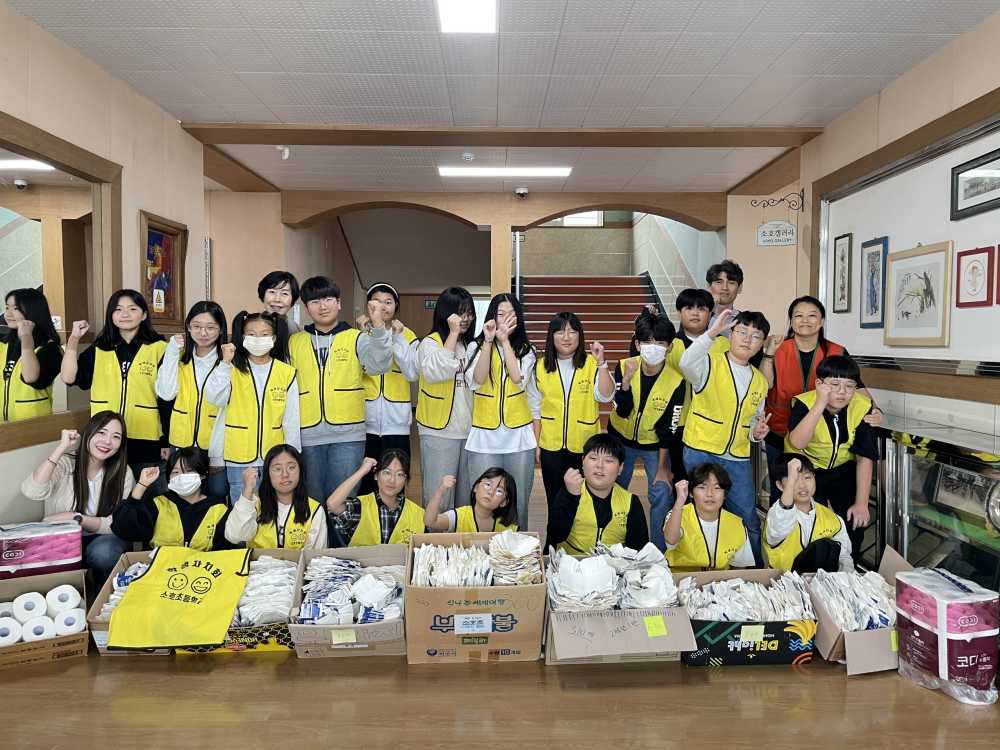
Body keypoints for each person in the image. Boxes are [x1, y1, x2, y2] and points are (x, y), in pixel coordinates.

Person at [759, 295, 882, 499]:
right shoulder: (778, 348)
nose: (805, 320)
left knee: (820, 495)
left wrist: (876, 411)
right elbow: (764, 386)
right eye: (798, 315)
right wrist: (769, 353)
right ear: (791, 320)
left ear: (822, 321)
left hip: (824, 438)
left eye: (812, 315)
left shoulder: (837, 351)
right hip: (780, 434)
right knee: (783, 494)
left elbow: (857, 386)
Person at [288, 276, 393, 512]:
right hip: (308, 434)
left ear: (339, 303)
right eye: (315, 301)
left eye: (327, 299)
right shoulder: (295, 342)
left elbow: (379, 364)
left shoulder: (357, 338)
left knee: (343, 501)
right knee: (312, 501)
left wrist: (378, 327)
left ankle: (340, 548)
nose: (322, 306)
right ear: (306, 308)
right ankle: (317, 547)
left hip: (348, 435)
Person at [680, 308, 771, 565]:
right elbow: (686, 362)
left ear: (762, 343)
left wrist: (757, 433)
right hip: (701, 449)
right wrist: (712, 332)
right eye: (742, 332)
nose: (747, 339)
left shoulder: (760, 381)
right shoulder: (709, 363)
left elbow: (755, 422)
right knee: (700, 513)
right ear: (731, 334)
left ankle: (753, 572)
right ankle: (694, 565)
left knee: (747, 518)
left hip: (737, 457)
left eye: (755, 336)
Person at [61, 289, 169, 482]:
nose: (124, 314)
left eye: (132, 309)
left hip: (146, 438)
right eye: (118, 309)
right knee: (108, 497)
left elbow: (168, 399)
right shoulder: (99, 349)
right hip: (104, 440)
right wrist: (74, 339)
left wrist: (166, 440)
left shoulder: (160, 348)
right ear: (111, 315)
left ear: (144, 315)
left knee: (148, 498)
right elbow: (69, 378)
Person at [20, 412, 134, 584]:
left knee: (105, 552)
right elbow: (32, 491)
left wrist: (77, 519)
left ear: (120, 444)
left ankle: (103, 600)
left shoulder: (123, 473)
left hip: (102, 537)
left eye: (116, 436)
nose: (107, 441)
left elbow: (117, 523)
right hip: (62, 538)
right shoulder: (65, 464)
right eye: (101, 433)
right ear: (89, 432)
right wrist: (61, 448)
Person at [528, 312, 614, 538]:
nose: (566, 337)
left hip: (585, 448)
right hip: (551, 447)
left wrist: (602, 363)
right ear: (551, 336)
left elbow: (605, 396)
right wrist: (537, 443)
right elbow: (535, 409)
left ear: (580, 335)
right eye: (560, 331)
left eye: (572, 331)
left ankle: (581, 543)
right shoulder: (540, 367)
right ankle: (553, 542)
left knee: (584, 500)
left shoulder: (591, 364)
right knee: (555, 500)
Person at [785, 355, 876, 562]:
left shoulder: (862, 406)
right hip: (807, 470)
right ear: (819, 384)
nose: (842, 392)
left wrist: (862, 503)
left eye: (849, 386)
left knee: (854, 521)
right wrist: (820, 403)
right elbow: (798, 442)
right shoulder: (804, 403)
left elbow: (864, 457)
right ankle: (805, 568)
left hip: (842, 469)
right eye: (834, 384)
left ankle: (849, 567)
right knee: (807, 522)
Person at [608, 309, 685, 551]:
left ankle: (658, 552)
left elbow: (668, 428)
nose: (653, 348)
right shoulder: (623, 366)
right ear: (638, 344)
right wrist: (627, 383)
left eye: (660, 343)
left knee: (662, 492)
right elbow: (622, 411)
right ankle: (613, 544)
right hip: (620, 438)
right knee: (614, 489)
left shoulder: (677, 381)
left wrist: (663, 468)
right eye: (648, 342)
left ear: (669, 347)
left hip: (655, 445)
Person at [204, 311, 299, 504]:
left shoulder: (286, 373)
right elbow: (214, 398)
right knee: (242, 510)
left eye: (264, 335)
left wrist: (293, 455)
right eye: (252, 334)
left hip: (275, 457)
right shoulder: (230, 369)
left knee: (274, 508)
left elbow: (291, 419)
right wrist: (225, 363)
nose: (258, 340)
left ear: (273, 338)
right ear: (243, 337)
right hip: (239, 456)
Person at [465, 293, 537, 530]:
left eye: (511, 314)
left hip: (518, 435)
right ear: (491, 317)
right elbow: (477, 379)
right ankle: (480, 547)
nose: (506, 319)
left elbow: (519, 379)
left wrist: (505, 342)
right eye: (500, 314)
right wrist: (488, 342)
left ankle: (518, 551)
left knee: (518, 500)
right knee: (483, 500)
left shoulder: (526, 350)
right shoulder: (476, 346)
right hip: (484, 434)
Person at [155, 301, 229, 500]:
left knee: (217, 494)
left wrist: (226, 364)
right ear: (188, 327)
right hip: (181, 442)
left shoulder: (227, 362)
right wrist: (171, 352)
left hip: (215, 443)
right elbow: (166, 393)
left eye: (210, 327)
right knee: (180, 497)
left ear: (221, 329)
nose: (203, 333)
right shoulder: (178, 359)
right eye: (196, 326)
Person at [416, 287, 477, 514]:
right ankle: (435, 548)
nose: (466, 319)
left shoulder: (469, 345)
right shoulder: (430, 343)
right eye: (461, 312)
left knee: (465, 502)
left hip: (469, 432)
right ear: (447, 314)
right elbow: (438, 371)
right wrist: (452, 334)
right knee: (439, 498)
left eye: (469, 313)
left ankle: (462, 548)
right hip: (438, 432)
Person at [358, 282, 418, 496]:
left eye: (388, 302)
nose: (382, 306)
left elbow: (412, 372)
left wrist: (398, 339)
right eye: (377, 301)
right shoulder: (361, 334)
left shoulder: (407, 335)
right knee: (367, 480)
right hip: (367, 420)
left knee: (396, 478)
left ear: (396, 306)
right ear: (368, 305)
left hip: (397, 422)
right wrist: (369, 333)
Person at [111, 447, 233, 551]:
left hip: (202, 572)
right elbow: (124, 529)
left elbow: (224, 553)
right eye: (175, 472)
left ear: (203, 474)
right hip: (160, 570)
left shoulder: (218, 509)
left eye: (189, 471)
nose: (181, 476)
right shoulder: (158, 504)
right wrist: (142, 485)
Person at [547, 434, 649, 553]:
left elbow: (639, 550)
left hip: (613, 568)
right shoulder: (569, 490)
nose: (599, 466)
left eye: (608, 460)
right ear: (583, 462)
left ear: (620, 468)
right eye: (593, 458)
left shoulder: (631, 502)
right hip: (571, 565)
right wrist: (571, 496)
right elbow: (555, 536)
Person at [667, 289, 723, 484]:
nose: (695, 313)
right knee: (680, 479)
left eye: (701, 308)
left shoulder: (723, 345)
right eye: (688, 307)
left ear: (710, 314)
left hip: (712, 424)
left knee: (713, 480)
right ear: (678, 312)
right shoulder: (669, 345)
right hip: (678, 423)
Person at [224, 444, 326, 549]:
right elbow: (234, 536)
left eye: (291, 467)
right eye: (277, 469)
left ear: (300, 471)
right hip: (257, 564)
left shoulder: (314, 509)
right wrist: (248, 490)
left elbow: (315, 557)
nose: (285, 474)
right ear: (268, 474)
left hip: (297, 565)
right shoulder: (255, 504)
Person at [764, 454, 854, 573]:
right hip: (783, 585)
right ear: (780, 485)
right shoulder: (776, 515)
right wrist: (791, 478)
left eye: (807, 477)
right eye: (795, 479)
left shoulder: (832, 518)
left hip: (822, 585)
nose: (803, 485)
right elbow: (782, 520)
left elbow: (844, 557)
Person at [664, 463, 755, 571]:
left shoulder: (736, 524)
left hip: (720, 583)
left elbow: (740, 568)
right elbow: (671, 541)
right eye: (702, 487)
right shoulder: (677, 514)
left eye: (717, 488)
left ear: (725, 494)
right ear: (691, 493)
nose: (710, 494)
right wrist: (679, 501)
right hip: (679, 581)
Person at [327, 450, 425, 547]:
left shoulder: (418, 514)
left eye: (399, 474)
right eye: (387, 472)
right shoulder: (360, 507)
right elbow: (332, 504)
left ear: (405, 479)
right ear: (376, 474)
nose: (392, 480)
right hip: (362, 562)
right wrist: (362, 471)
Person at [2, 288, 62, 422]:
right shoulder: (4, 344)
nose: (8, 313)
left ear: (33, 310)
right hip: (4, 427)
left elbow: (30, 377)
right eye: (7, 307)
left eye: (16, 308)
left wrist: (26, 336)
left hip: (33, 428)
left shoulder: (51, 349)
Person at [423, 468, 519, 533]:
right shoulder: (459, 516)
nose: (491, 492)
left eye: (499, 491)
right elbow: (430, 521)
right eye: (488, 485)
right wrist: (441, 490)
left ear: (504, 502)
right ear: (476, 488)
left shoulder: (508, 529)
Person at [705, 260, 744, 336]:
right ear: (708, 286)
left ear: (739, 288)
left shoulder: (744, 321)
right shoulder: (696, 316)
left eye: (731, 283)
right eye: (719, 282)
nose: (725, 288)